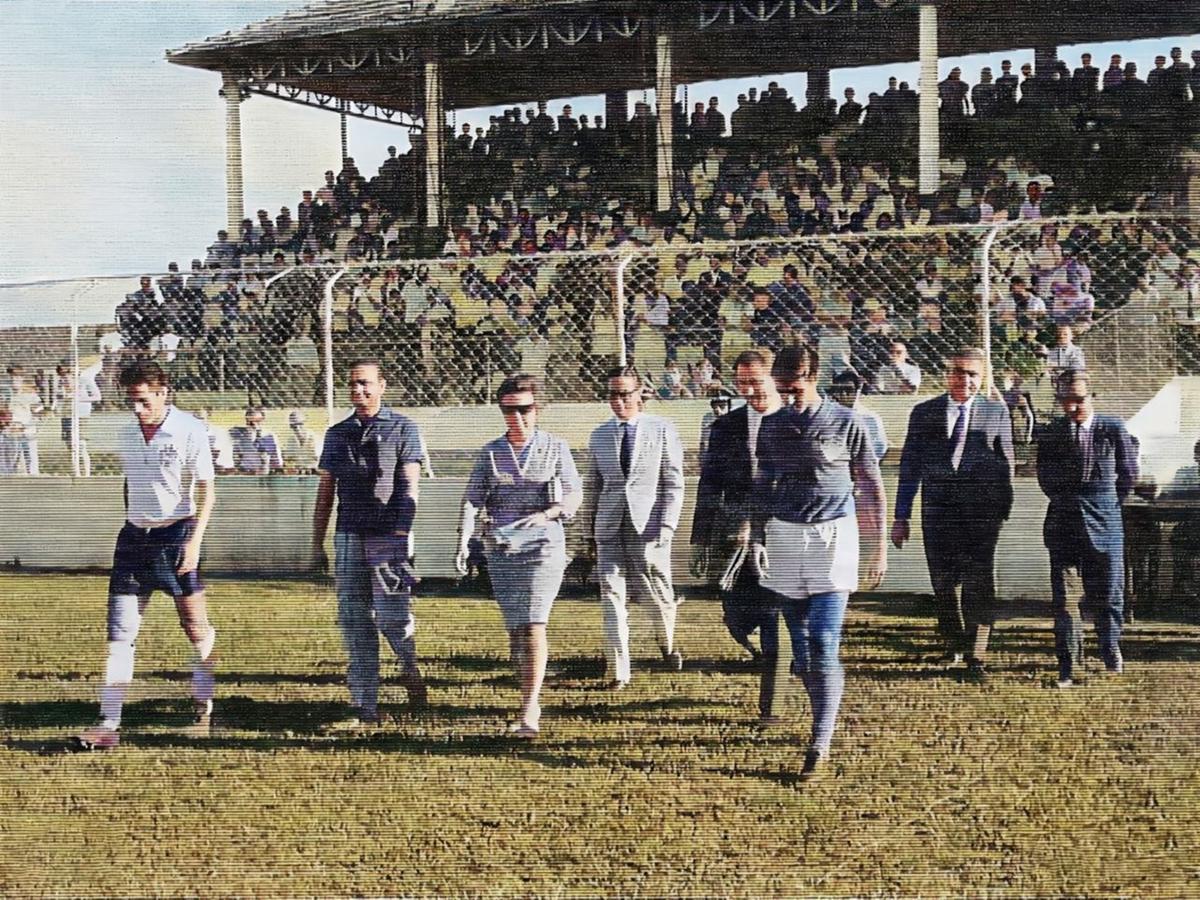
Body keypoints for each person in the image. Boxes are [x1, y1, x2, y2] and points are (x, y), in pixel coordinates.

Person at [745, 345, 887, 781]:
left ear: (812, 375)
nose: (787, 397)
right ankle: (823, 707)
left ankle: (819, 740)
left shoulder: (848, 422)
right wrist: (755, 533)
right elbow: (763, 482)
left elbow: (871, 486)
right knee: (802, 649)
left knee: (825, 639)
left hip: (834, 536)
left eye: (794, 388)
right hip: (787, 536)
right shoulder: (771, 426)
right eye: (781, 390)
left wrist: (878, 547)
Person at [77, 361, 218, 750]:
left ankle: (204, 708)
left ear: (162, 392)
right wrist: (134, 522)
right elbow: (132, 485)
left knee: (196, 630)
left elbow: (208, 492)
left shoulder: (190, 430)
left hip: (177, 536)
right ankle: (108, 723)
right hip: (134, 541)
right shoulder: (127, 434)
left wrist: (194, 542)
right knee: (120, 634)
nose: (137, 410)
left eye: (143, 401)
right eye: (131, 402)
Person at [454, 375, 582, 737]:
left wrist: (549, 513)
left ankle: (529, 710)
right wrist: (463, 539)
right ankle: (530, 695)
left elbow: (574, 495)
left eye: (524, 409)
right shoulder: (491, 452)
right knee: (515, 629)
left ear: (536, 409)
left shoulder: (556, 448)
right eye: (509, 410)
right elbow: (472, 498)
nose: (517, 417)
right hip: (502, 546)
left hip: (543, 545)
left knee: (533, 622)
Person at [312, 359, 428, 728]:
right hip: (349, 534)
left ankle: (410, 672)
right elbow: (326, 491)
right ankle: (365, 703)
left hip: (388, 536)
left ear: (382, 385)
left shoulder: (403, 428)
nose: (359, 391)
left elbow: (410, 485)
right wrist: (317, 542)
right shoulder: (337, 433)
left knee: (394, 618)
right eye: (353, 385)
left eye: (365, 384)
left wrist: (401, 532)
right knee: (354, 619)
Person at [892, 348, 1015, 680]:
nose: (966, 380)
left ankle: (977, 653)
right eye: (959, 372)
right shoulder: (923, 413)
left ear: (982, 377)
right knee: (944, 583)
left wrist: (1002, 508)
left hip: (981, 516)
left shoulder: (996, 413)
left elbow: (1006, 463)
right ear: (948, 374)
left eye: (973, 374)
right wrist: (900, 516)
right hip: (938, 512)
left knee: (979, 582)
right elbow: (909, 469)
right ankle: (953, 643)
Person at [691, 351, 788, 724]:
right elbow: (709, 485)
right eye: (742, 383)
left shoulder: (795, 421)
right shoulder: (725, 427)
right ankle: (768, 654)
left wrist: (761, 522)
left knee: (775, 616)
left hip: (785, 534)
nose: (749, 391)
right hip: (734, 536)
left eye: (756, 382)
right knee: (735, 615)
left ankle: (771, 703)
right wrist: (700, 538)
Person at [586, 366, 685, 688]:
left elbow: (673, 482)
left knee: (656, 593)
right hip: (610, 525)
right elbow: (594, 486)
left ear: (640, 392)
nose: (618, 401)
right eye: (613, 394)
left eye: (625, 393)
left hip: (650, 527)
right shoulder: (599, 434)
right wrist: (589, 531)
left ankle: (667, 644)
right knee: (611, 594)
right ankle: (619, 671)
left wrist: (667, 525)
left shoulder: (661, 429)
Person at [1037, 370, 1138, 688]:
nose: (1071, 407)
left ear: (1092, 397)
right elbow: (1045, 478)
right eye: (1065, 401)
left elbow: (1129, 475)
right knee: (1065, 600)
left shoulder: (1112, 428)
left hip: (1105, 524)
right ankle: (1067, 663)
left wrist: (1104, 505)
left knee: (1108, 594)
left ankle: (1110, 650)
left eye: (1078, 400)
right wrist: (1071, 503)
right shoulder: (1052, 432)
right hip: (1063, 524)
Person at [828, 370, 889, 462]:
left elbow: (879, 449)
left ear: (857, 391)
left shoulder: (870, 418)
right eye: (839, 390)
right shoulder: (827, 416)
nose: (844, 394)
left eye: (849, 390)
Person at [56, 362, 103, 477]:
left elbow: (97, 396)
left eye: (67, 372)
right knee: (70, 445)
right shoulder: (60, 384)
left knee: (81, 445)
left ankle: (86, 474)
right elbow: (57, 400)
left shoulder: (84, 380)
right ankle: (75, 473)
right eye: (62, 374)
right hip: (67, 415)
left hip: (81, 415)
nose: (65, 376)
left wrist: (80, 397)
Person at [229, 407, 283, 475]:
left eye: (258, 421)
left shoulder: (270, 436)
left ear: (263, 420)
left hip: (264, 473)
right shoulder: (238, 436)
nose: (255, 424)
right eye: (251, 422)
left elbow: (276, 457)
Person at [284, 409, 321, 474]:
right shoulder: (291, 440)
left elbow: (318, 459)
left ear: (305, 423)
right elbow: (289, 460)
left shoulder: (314, 438)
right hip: (298, 473)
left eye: (300, 424)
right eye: (294, 426)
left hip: (314, 472)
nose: (297, 428)